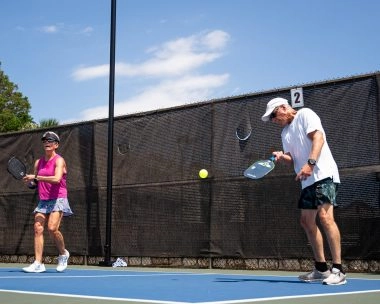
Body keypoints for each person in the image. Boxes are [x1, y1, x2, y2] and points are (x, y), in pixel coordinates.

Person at [261, 97, 346, 285]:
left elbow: (318, 138)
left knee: (325, 218)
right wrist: (282, 156)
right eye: (272, 119)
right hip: (307, 181)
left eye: (274, 115)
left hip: (324, 174)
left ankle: (338, 270)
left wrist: (310, 164)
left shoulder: (306, 114)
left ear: (284, 107)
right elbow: (292, 157)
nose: (274, 120)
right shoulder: (285, 133)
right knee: (307, 222)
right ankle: (321, 269)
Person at [22, 131, 73, 273]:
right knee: (37, 228)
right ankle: (38, 263)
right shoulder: (38, 162)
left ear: (56, 145)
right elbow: (35, 183)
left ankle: (63, 254)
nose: (46, 142)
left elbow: (56, 179)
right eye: (44, 140)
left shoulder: (59, 160)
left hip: (58, 198)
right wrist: (31, 182)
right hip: (43, 200)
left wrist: (36, 178)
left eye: (50, 140)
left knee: (52, 228)